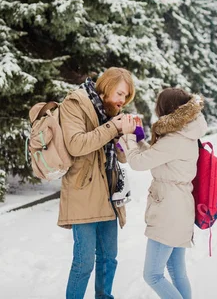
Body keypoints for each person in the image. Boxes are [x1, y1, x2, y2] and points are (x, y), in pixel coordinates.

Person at [119, 88, 208, 299]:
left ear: (167, 109)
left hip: (170, 210)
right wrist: (140, 139)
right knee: (177, 273)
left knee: (152, 275)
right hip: (179, 207)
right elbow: (155, 156)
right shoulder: (185, 133)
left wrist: (129, 137)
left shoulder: (175, 139)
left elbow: (139, 162)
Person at [59, 67, 136, 299]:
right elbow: (76, 144)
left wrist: (127, 134)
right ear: (107, 86)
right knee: (83, 263)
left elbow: (122, 157)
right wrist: (114, 126)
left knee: (108, 259)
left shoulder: (112, 112)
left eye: (126, 96)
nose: (123, 100)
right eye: (120, 94)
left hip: (109, 193)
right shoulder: (75, 103)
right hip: (83, 192)